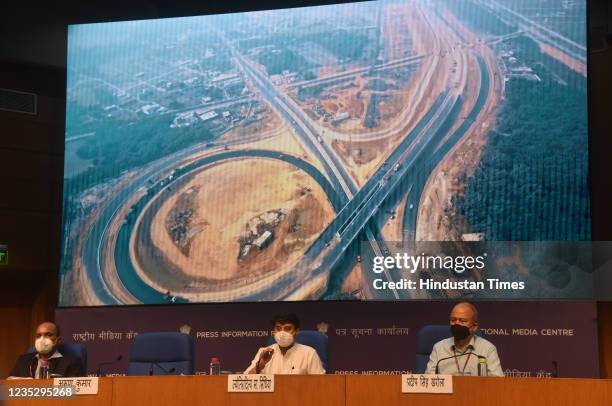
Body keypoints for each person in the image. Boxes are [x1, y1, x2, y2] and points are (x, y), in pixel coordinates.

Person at [426, 302, 503, 376]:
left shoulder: (487, 349)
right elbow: (428, 381)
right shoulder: (439, 348)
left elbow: (497, 382)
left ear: (474, 326)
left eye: (462, 321)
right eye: (453, 320)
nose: (457, 323)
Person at [245, 312, 325, 374]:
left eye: (287, 328)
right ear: (274, 331)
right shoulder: (264, 352)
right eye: (278, 328)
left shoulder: (309, 353)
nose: (282, 333)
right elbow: (245, 381)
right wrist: (260, 365)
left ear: (296, 332)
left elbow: (321, 383)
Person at [8, 322, 85, 378]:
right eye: (38, 336)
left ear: (58, 340)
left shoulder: (71, 363)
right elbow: (10, 387)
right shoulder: (23, 361)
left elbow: (74, 391)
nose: (42, 339)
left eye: (48, 335)